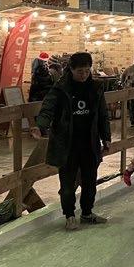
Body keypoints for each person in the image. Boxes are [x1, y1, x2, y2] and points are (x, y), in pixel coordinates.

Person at [32, 51, 111, 230]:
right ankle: (69, 215)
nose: (84, 75)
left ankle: (87, 212)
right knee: (67, 183)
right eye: (80, 71)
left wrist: (106, 137)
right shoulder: (61, 88)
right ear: (71, 70)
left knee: (90, 181)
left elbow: (103, 115)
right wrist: (40, 126)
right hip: (67, 145)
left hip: (89, 143)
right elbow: (48, 108)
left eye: (87, 71)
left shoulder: (96, 88)